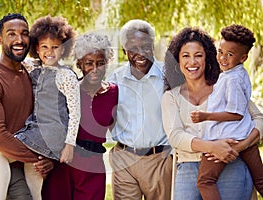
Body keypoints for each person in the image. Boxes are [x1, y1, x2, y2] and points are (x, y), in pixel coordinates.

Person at [161, 27, 263, 200]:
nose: (192, 62)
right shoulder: (171, 97)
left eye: (198, 55)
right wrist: (212, 147)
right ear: (177, 61)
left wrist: (240, 146)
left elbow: (258, 118)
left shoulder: (226, 85)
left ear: (207, 57)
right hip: (188, 166)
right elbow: (175, 136)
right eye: (185, 56)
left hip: (230, 162)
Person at [0, 15, 80, 200]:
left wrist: (69, 145)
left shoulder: (66, 76)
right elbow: (5, 57)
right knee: (33, 166)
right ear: (36, 49)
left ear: (63, 49)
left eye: (55, 47)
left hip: (51, 131)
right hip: (36, 128)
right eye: (44, 47)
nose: (50, 52)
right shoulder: (33, 67)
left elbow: (75, 112)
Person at [0, 13, 53, 199]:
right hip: (5, 165)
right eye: (11, 34)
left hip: (32, 164)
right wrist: (42, 158)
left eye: (24, 33)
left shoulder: (32, 71)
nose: (19, 39)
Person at [42, 32, 118, 200]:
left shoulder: (114, 93)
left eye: (100, 63)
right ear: (80, 64)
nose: (95, 69)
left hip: (93, 166)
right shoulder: (68, 89)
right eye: (89, 63)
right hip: (64, 164)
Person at [106, 19, 172, 200]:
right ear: (125, 50)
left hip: (160, 159)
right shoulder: (115, 79)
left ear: (152, 47)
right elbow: (107, 116)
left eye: (145, 46)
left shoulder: (169, 75)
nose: (140, 53)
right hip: (124, 159)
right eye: (133, 48)